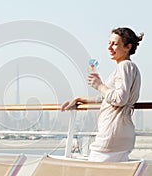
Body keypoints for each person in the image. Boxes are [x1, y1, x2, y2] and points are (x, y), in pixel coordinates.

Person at [61, 27, 144, 162]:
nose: (110, 47)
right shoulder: (128, 67)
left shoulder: (124, 66)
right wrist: (80, 99)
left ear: (128, 47)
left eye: (115, 44)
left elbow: (120, 99)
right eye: (109, 43)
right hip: (120, 133)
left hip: (111, 134)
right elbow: (108, 98)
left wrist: (99, 85)